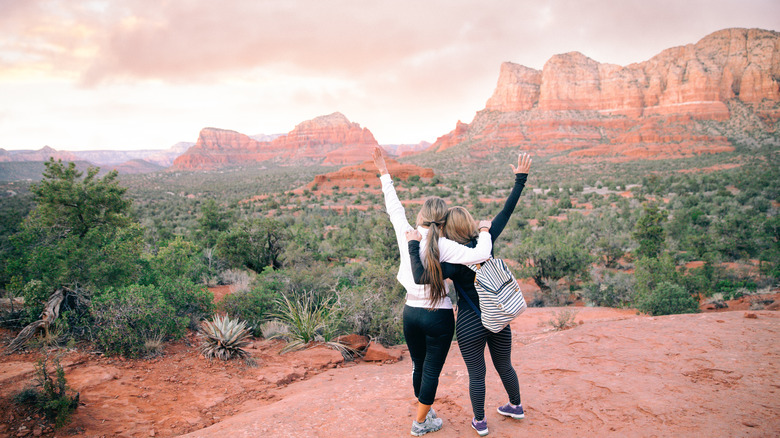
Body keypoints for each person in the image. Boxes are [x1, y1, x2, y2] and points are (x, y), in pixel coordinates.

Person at [406, 152, 532, 437]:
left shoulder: (450, 258)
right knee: (505, 366)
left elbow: (422, 278)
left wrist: (415, 246)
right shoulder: (485, 241)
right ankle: (516, 405)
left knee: (477, 374)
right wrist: (520, 180)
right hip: (497, 316)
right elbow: (506, 212)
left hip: (470, 323)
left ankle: (480, 423)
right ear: (472, 223)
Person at [372, 147, 493, 436]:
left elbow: (394, 207)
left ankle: (423, 410)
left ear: (422, 215)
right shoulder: (445, 244)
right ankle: (420, 422)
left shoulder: (408, 233)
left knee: (417, 364)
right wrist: (485, 229)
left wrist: (384, 172)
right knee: (431, 371)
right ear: (443, 220)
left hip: (410, 312)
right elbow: (483, 253)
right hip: (437, 317)